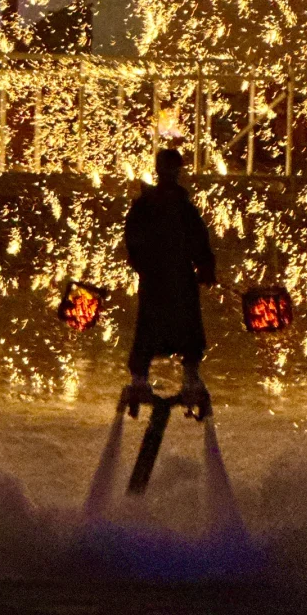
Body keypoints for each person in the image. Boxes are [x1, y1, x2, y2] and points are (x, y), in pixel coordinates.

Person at [122, 146, 216, 418]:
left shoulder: (146, 206)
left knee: (150, 327)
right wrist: (205, 266)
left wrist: (142, 266)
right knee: (186, 328)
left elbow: (134, 241)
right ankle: (188, 375)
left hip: (158, 278)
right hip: (174, 277)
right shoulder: (180, 207)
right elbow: (198, 240)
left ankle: (144, 376)